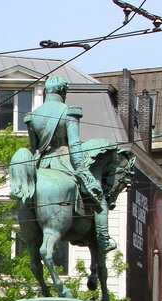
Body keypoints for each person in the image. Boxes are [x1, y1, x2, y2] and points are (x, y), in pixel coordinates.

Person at [24, 75, 113, 251]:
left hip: (40, 163)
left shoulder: (32, 116)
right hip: (64, 161)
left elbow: (34, 148)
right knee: (98, 195)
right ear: (63, 92)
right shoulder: (69, 111)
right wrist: (83, 171)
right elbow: (74, 145)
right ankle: (103, 239)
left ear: (46, 92)